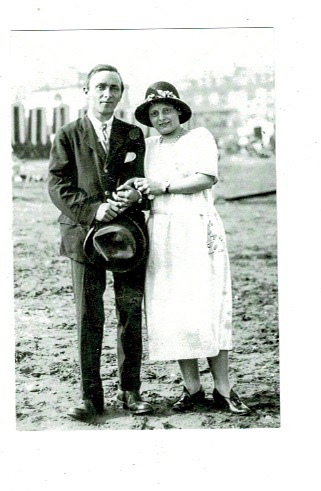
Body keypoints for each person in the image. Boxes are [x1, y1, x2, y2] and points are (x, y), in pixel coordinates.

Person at [132, 81, 250, 414]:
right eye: (154, 113)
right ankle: (192, 388)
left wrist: (163, 186)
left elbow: (206, 178)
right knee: (173, 311)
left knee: (207, 306)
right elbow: (143, 186)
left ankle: (224, 390)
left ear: (179, 111)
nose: (161, 117)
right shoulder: (149, 145)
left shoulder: (198, 137)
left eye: (166, 110)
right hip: (163, 231)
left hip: (196, 227)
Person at [48, 64, 153, 421]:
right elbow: (58, 185)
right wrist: (95, 210)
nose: (107, 95)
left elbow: (141, 178)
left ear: (121, 94)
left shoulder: (133, 134)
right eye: (100, 88)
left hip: (128, 238)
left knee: (130, 313)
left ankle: (130, 391)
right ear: (87, 92)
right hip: (84, 237)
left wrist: (134, 195)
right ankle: (91, 398)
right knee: (88, 316)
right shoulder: (68, 134)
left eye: (114, 89)